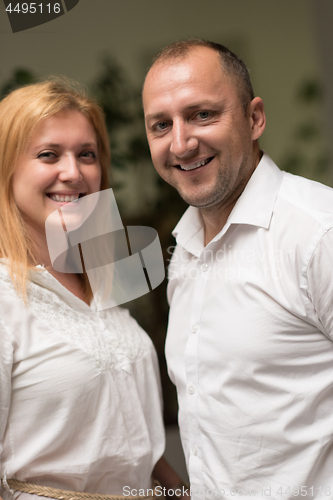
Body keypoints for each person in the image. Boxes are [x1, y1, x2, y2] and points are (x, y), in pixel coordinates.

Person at [142, 39, 333, 500]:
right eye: (161, 125)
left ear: (254, 119)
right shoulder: (184, 251)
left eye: (202, 114)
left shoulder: (318, 233)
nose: (181, 142)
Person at [0, 79, 189, 500]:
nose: (74, 172)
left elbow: (118, 429)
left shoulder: (102, 282)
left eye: (87, 155)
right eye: (49, 155)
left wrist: (177, 488)